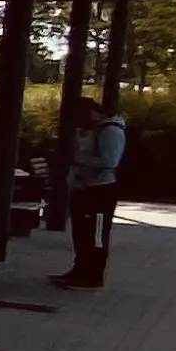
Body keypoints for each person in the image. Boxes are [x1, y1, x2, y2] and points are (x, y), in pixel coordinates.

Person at [51, 99, 128, 290]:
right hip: (86, 188)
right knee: (82, 232)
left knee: (96, 234)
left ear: (92, 112)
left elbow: (110, 161)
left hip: (99, 190)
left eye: (79, 116)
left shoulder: (111, 131)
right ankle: (80, 270)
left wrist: (79, 160)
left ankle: (93, 276)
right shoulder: (96, 130)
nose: (77, 121)